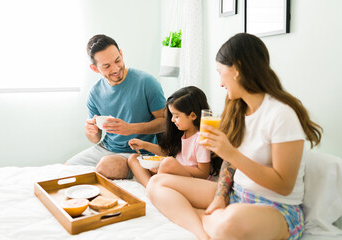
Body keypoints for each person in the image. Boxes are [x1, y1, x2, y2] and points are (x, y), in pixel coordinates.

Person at [146, 33, 323, 240]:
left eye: (220, 72)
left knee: (228, 224)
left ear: (237, 69)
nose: (220, 82)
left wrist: (230, 153)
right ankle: (202, 232)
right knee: (157, 183)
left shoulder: (281, 115)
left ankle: (202, 219)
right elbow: (228, 166)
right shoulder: (238, 109)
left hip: (275, 208)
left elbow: (284, 185)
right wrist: (220, 197)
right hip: (236, 195)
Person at [66, 34, 166, 180]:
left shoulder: (147, 82)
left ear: (121, 53)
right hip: (106, 148)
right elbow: (95, 138)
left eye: (117, 60)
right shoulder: (95, 92)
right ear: (94, 68)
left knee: (105, 167)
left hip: (139, 152)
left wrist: (132, 129)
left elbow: (165, 122)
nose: (115, 69)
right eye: (106, 66)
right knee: (64, 170)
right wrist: (92, 131)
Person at [128, 86, 217, 187]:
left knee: (168, 162)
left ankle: (156, 185)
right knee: (134, 158)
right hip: (173, 172)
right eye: (172, 115)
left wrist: (172, 166)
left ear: (193, 116)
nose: (172, 120)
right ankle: (151, 186)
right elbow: (168, 152)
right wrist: (144, 145)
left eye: (176, 116)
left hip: (193, 180)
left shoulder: (201, 139)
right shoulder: (182, 132)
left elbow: (203, 174)